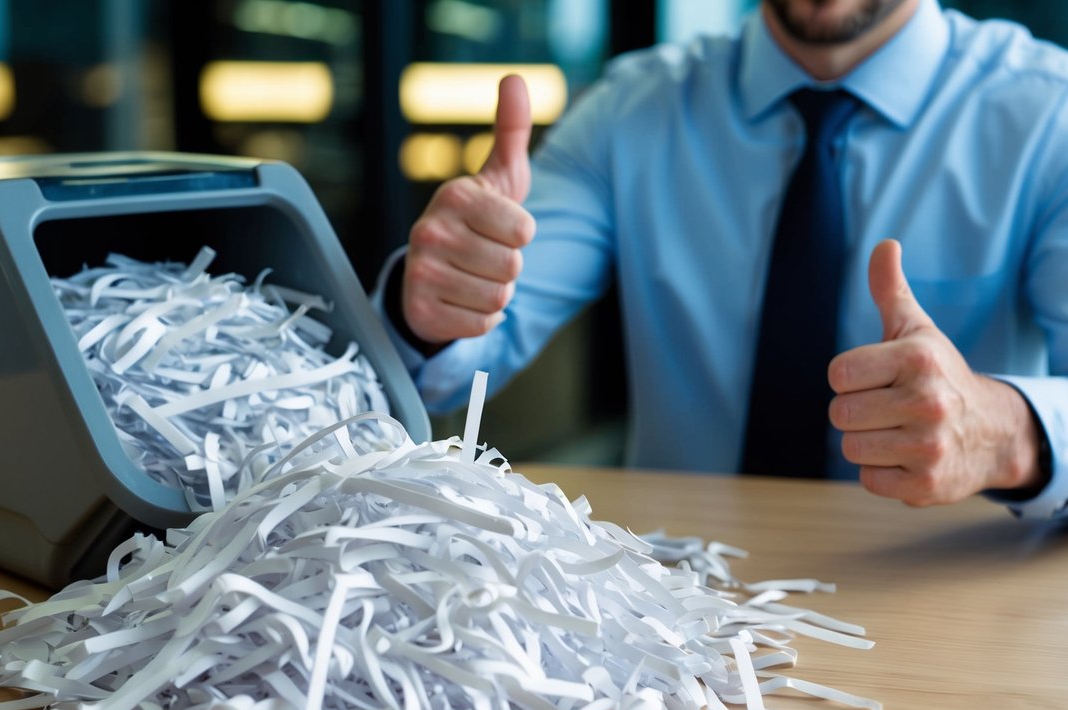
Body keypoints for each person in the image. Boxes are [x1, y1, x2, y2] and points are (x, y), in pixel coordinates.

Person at [375, 0, 1068, 519]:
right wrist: (432, 306)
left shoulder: (1047, 116)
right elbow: (452, 363)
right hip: (675, 615)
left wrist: (1007, 432)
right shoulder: (627, 110)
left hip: (953, 606)